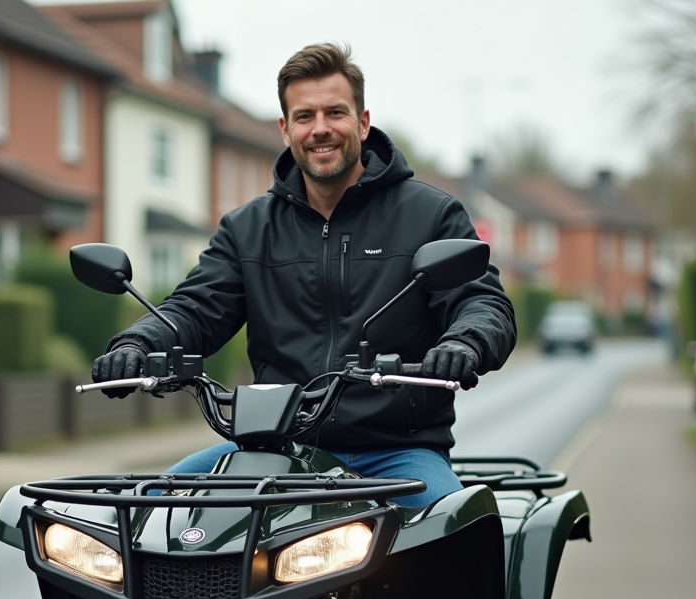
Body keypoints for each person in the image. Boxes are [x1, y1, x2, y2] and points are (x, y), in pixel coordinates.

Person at [92, 42, 516, 506]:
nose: (320, 129)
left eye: (335, 112)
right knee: (148, 511)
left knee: (451, 531)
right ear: (285, 128)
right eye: (304, 116)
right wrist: (138, 343)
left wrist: (464, 343)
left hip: (397, 451)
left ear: (363, 121)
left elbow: (482, 302)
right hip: (275, 447)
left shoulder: (430, 215)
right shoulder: (248, 228)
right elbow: (194, 309)